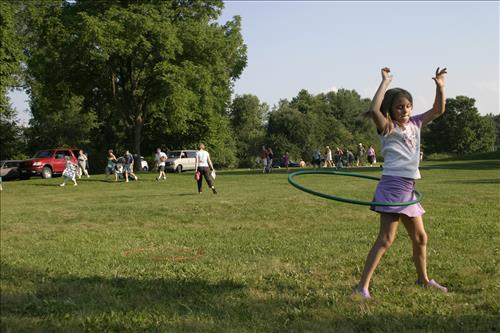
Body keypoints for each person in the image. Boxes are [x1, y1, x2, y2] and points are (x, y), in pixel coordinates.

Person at [353, 67, 449, 299]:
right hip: (392, 187)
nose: (405, 110)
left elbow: (438, 110)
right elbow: (374, 109)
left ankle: (423, 280)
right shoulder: (387, 127)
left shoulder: (416, 123)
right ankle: (361, 287)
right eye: (399, 106)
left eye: (408, 105)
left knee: (420, 238)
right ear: (391, 110)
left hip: (409, 188)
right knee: (386, 239)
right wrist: (385, 82)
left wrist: (440, 87)